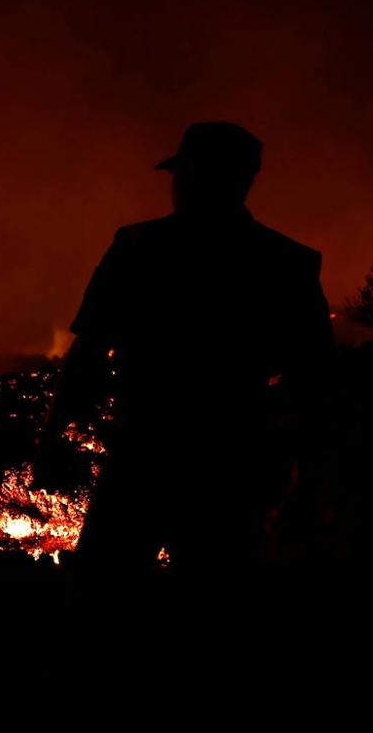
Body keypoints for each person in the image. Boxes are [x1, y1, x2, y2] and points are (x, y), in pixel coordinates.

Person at [31, 121, 335, 597]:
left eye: (182, 172)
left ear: (196, 174)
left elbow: (88, 352)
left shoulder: (138, 248)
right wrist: (306, 480)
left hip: (146, 456)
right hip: (234, 463)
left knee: (102, 593)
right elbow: (314, 381)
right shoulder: (288, 262)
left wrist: (53, 436)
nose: (176, 184)